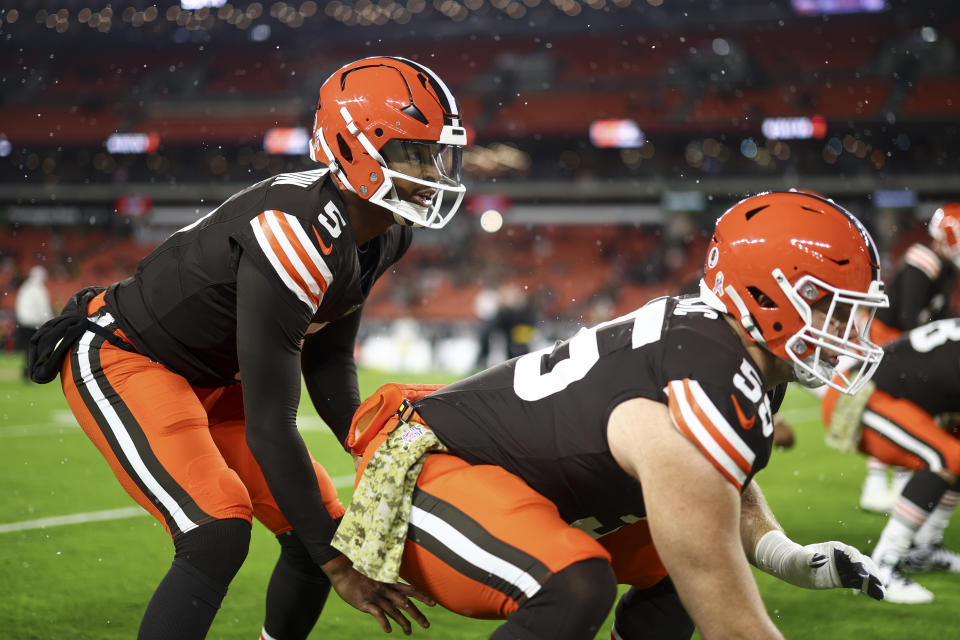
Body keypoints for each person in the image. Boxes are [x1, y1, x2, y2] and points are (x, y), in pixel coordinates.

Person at [27, 56, 468, 640]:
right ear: (355, 147)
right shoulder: (295, 231)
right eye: (415, 153)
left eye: (436, 153)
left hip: (216, 376)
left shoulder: (386, 229)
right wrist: (339, 566)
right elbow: (270, 424)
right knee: (217, 531)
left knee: (320, 536)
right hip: (131, 356)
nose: (431, 171)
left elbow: (330, 356)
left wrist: (371, 451)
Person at [333, 192, 888, 640]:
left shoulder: (727, 349)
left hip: (525, 487)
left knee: (676, 569)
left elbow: (719, 491)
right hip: (435, 472)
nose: (848, 331)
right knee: (575, 583)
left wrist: (788, 558)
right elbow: (735, 624)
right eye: (829, 306)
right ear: (765, 296)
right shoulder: (708, 372)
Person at [821, 317, 960, 603]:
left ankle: (924, 549)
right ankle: (880, 566)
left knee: (954, 452)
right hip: (860, 393)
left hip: (880, 389)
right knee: (945, 457)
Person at [858, 203, 960, 513]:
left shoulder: (944, 267)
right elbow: (908, 315)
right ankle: (877, 484)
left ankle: (896, 484)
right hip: (887, 335)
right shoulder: (924, 259)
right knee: (897, 405)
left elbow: (938, 316)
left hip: (900, 337)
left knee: (908, 410)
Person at [14, 265, 54, 380]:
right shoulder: (39, 290)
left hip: (23, 323)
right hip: (34, 324)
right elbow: (43, 308)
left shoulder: (25, 287)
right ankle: (36, 372)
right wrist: (50, 322)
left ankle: (27, 372)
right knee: (37, 350)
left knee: (28, 350)